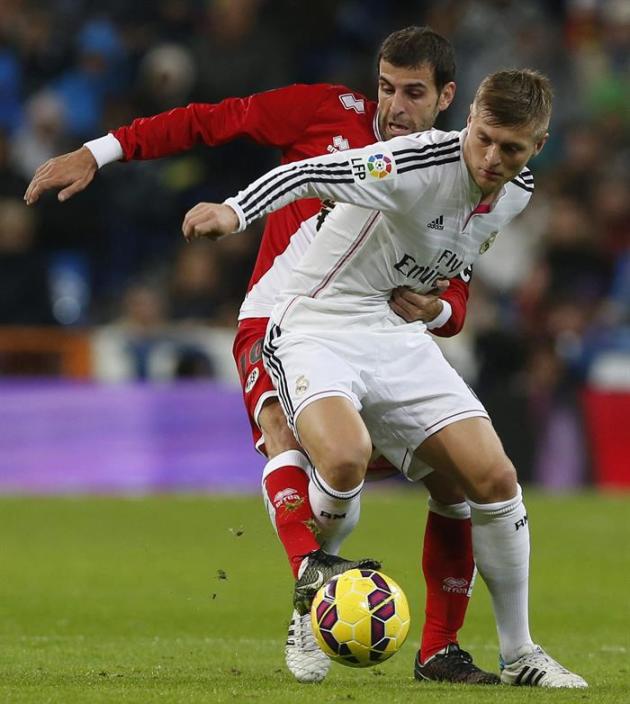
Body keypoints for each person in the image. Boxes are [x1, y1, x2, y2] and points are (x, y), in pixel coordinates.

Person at [24, 27, 494, 685]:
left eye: (412, 94)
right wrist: (99, 153)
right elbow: (211, 121)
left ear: (445, 98)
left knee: (452, 479)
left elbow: (457, 292)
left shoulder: (453, 170)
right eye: (386, 87)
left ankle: (440, 650)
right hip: (277, 319)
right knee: (284, 437)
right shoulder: (326, 111)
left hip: (376, 342)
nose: (394, 107)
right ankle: (312, 587)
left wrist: (437, 311)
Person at [179, 68, 588, 689]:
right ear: (469, 120)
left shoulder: (518, 192)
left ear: (539, 145)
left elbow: (451, 259)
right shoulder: (416, 160)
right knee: (343, 459)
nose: (492, 158)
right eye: (484, 138)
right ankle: (311, 598)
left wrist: (438, 307)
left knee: (494, 477)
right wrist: (235, 212)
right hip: (317, 322)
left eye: (512, 148)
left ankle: (520, 653)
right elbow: (306, 173)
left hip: (396, 337)